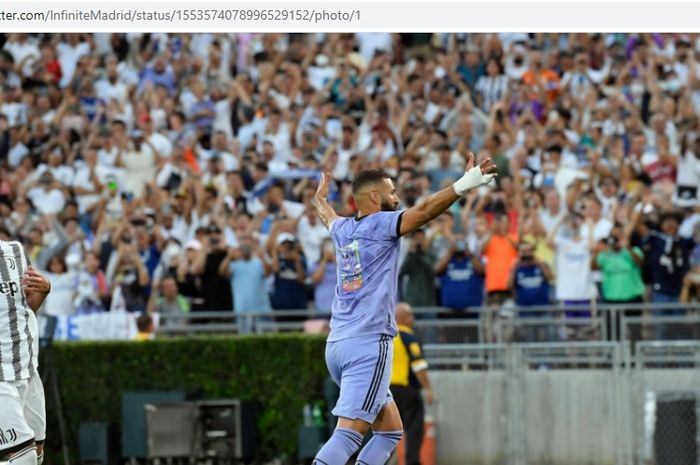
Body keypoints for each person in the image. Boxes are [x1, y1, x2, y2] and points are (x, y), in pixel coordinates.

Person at [311, 152, 496, 465]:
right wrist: (464, 184)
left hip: (338, 346)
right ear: (374, 197)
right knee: (348, 435)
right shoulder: (381, 225)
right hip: (368, 344)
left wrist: (320, 199)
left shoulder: (343, 230)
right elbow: (423, 212)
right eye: (391, 192)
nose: (396, 197)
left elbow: (327, 216)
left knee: (390, 431)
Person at [0, 239, 52, 465]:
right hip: (1, 376)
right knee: (25, 455)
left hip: (28, 369)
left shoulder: (15, 250)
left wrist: (44, 290)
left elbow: (28, 304)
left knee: (37, 454)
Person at [390, 303, 434, 465]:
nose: (413, 319)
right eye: (410, 315)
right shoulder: (409, 338)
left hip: (387, 393)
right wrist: (428, 389)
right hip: (407, 390)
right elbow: (419, 366)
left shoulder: (386, 337)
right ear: (403, 318)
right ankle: (412, 462)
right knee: (414, 430)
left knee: (387, 434)